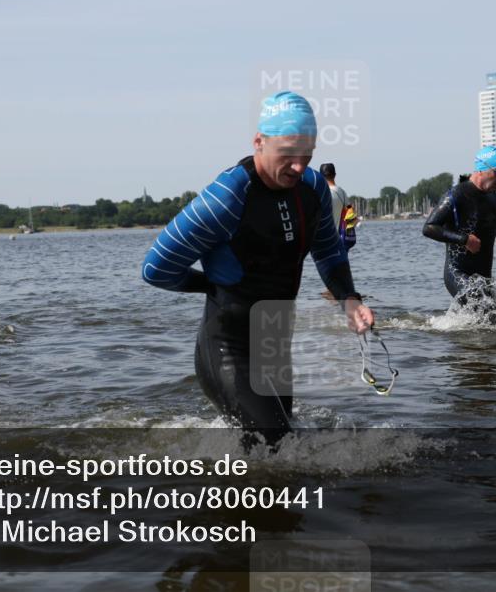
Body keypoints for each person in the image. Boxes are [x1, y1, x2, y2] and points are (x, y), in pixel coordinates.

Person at [142, 92, 374, 443]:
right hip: (229, 347)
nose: (299, 166)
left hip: (275, 343)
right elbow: (155, 268)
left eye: (307, 154)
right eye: (288, 153)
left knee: (283, 449)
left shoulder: (312, 188)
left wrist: (349, 299)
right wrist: (210, 286)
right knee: (276, 442)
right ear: (259, 142)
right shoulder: (225, 198)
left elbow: (329, 251)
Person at [422, 146, 496, 320]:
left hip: (483, 278)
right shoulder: (455, 195)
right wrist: (464, 239)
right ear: (481, 169)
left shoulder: (495, 200)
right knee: (485, 313)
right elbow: (429, 227)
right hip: (457, 273)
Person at [319, 162, 356, 252]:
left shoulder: (319, 192)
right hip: (340, 239)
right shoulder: (341, 192)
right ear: (335, 175)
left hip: (323, 240)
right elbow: (350, 210)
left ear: (320, 176)